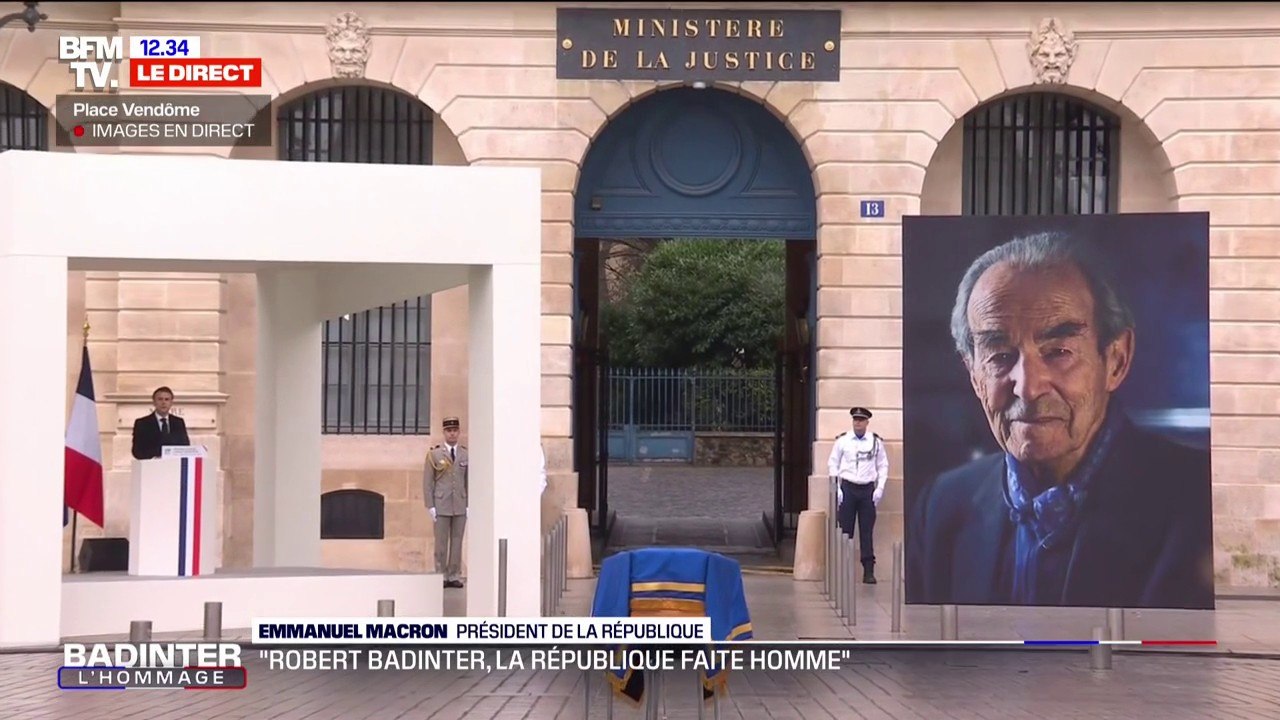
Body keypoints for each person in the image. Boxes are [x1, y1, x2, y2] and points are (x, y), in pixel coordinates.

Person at [907, 231, 1214, 609]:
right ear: (973, 374)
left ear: (1116, 360)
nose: (1028, 387)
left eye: (1059, 351)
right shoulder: (941, 506)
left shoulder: (1195, 502)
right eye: (1000, 356)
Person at [828, 406, 889, 584]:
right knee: (845, 531)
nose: (858, 423)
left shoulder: (876, 442)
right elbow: (833, 464)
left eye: (861, 420)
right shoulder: (843, 441)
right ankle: (842, 569)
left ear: (867, 423)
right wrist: (837, 487)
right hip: (848, 488)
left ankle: (868, 571)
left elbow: (883, 466)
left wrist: (880, 488)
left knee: (866, 531)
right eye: (855, 420)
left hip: (866, 490)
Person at [424, 416, 468, 588]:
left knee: (457, 541)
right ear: (444, 432)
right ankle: (440, 574)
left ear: (459, 432)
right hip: (441, 504)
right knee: (441, 542)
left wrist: (469, 503)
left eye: (455, 430)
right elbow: (428, 482)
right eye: (449, 431)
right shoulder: (434, 454)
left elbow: (468, 481)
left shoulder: (465, 454)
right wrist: (430, 505)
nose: (452, 434)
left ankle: (454, 574)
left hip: (459, 504)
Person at [130, 386, 191, 460]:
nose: (163, 402)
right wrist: (158, 455)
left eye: (167, 399)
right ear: (154, 402)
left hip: (174, 467)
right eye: (160, 399)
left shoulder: (178, 422)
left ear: (171, 402)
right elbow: (137, 451)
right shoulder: (142, 423)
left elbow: (185, 447)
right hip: (151, 466)